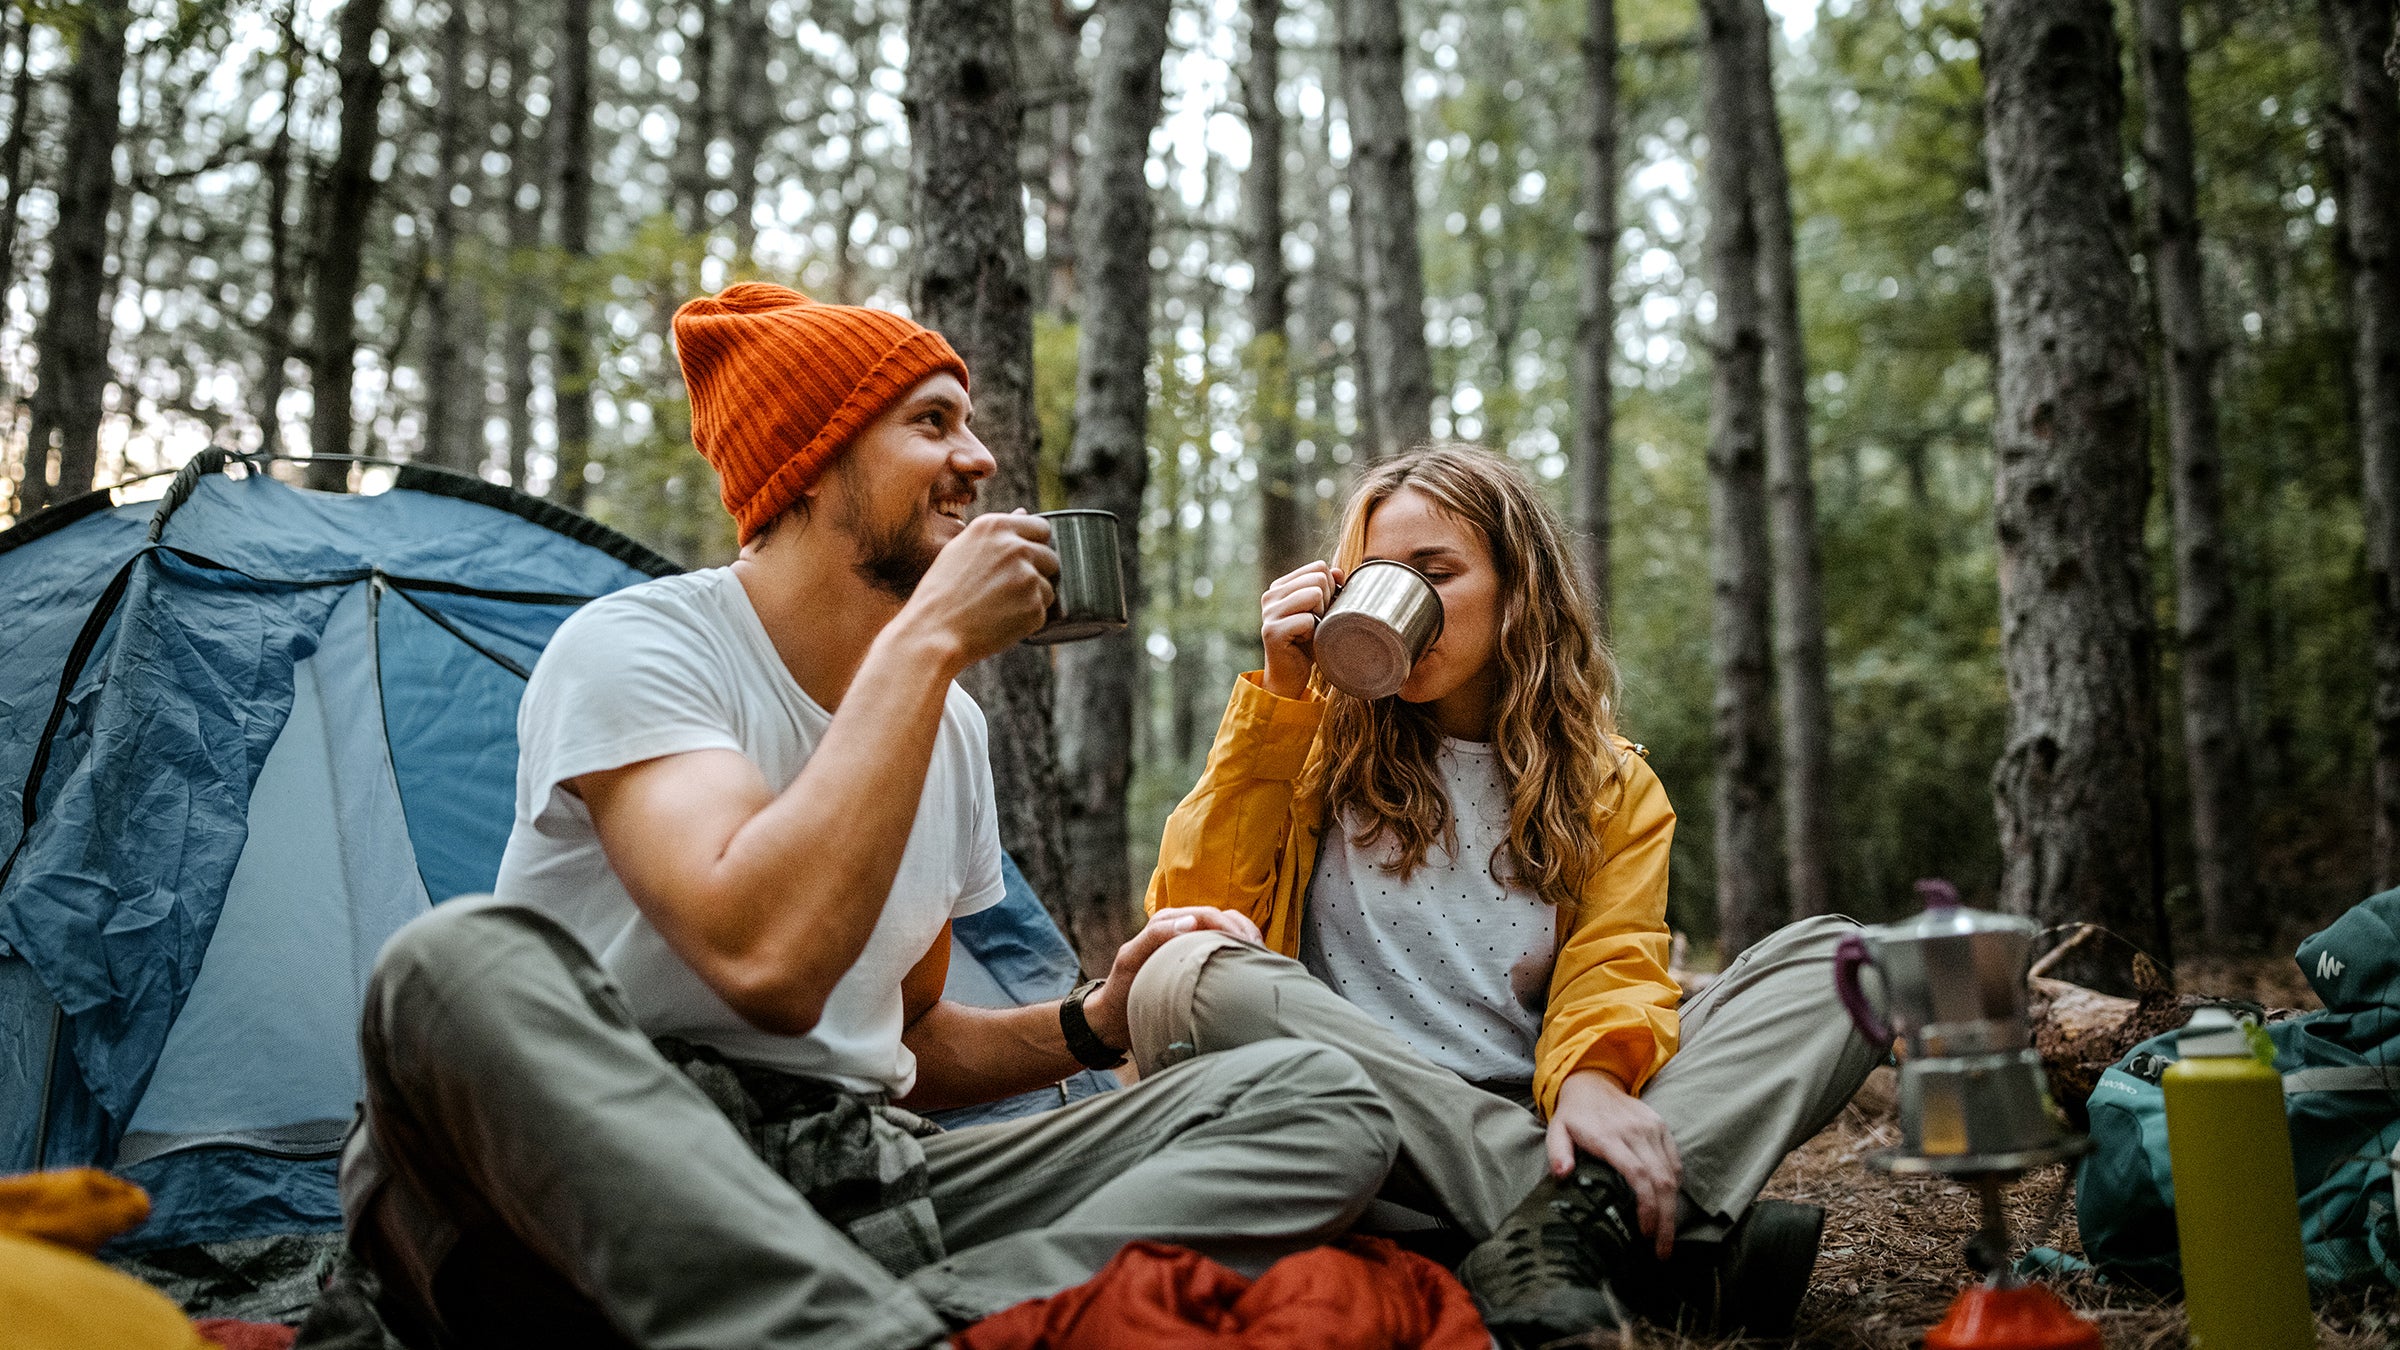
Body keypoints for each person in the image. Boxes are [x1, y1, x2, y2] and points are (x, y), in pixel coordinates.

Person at [322, 283, 1398, 1350]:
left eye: (969, 426)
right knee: (448, 966)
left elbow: (908, 1041)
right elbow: (768, 961)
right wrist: (926, 644)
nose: (978, 461)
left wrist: (1093, 1021)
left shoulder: (952, 728)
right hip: (588, 1183)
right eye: (930, 423)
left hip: (850, 1178)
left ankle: (867, 1326)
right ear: (813, 458)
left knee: (1318, 1102)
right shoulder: (639, 648)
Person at [1140, 445, 1881, 1346]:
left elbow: (1616, 963)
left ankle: (1544, 1236)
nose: (1402, 599)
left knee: (1845, 966)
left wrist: (1595, 1078)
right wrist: (1282, 699)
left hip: (1548, 1105)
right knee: (1192, 971)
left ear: (1517, 588)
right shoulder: (1307, 746)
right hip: (1346, 1124)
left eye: (1436, 572)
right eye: (1377, 575)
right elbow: (1197, 908)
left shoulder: (1610, 786)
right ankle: (1599, 1235)